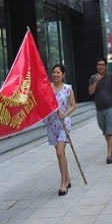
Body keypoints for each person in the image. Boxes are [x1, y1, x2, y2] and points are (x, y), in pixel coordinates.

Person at [44, 64, 76, 196]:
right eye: (54, 72)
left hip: (64, 123)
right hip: (51, 124)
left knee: (60, 152)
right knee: (60, 154)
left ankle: (63, 183)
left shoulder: (68, 88)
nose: (55, 75)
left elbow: (73, 106)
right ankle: (67, 177)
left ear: (63, 74)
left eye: (58, 72)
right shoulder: (47, 88)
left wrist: (65, 113)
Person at [88, 57, 112, 163]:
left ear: (105, 66)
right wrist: (96, 82)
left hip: (111, 106)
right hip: (99, 108)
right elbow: (91, 92)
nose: (100, 67)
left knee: (109, 131)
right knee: (105, 130)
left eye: (102, 65)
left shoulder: (111, 76)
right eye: (99, 65)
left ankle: (109, 155)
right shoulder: (93, 78)